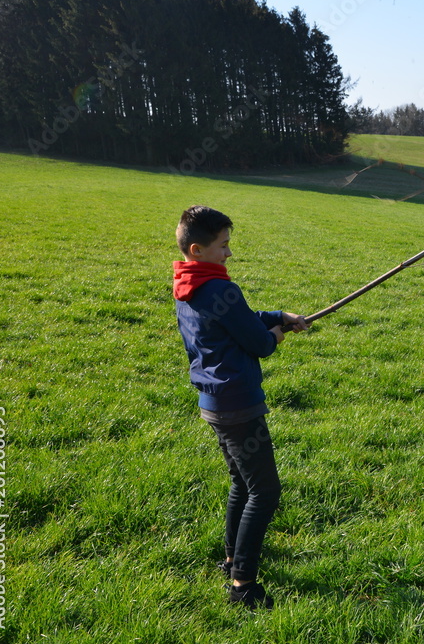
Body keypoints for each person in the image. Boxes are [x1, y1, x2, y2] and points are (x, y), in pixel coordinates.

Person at [172, 205, 308, 608]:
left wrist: (279, 315)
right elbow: (258, 341)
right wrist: (278, 334)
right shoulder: (221, 289)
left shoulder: (189, 283)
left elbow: (242, 318)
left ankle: (231, 559)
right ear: (198, 249)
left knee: (241, 483)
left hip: (213, 400)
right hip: (238, 405)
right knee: (264, 492)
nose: (229, 253)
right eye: (224, 246)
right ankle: (242, 585)